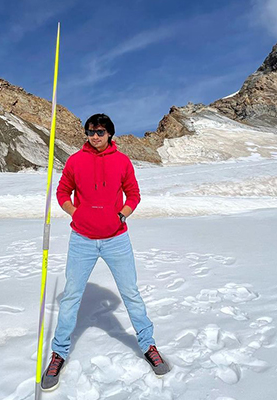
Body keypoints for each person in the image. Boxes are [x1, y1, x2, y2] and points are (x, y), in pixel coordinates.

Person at [41, 113, 169, 392]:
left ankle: (149, 346)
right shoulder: (75, 160)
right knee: (72, 295)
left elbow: (133, 194)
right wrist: (76, 212)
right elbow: (63, 192)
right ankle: (59, 353)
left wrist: (122, 215)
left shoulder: (122, 161)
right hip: (82, 239)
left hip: (116, 240)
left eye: (100, 131)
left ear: (110, 133)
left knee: (131, 293)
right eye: (90, 131)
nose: (95, 136)